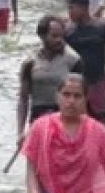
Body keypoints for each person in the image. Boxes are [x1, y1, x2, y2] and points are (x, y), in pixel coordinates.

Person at [16, 15, 83, 145]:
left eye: (61, 36)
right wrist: (20, 132)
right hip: (37, 120)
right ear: (42, 36)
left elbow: (82, 98)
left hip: (66, 121)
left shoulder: (73, 60)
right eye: (54, 36)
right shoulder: (30, 62)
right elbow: (23, 99)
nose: (59, 40)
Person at [64, 0, 105, 127]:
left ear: (84, 8)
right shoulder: (67, 31)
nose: (69, 12)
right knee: (75, 124)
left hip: (98, 83)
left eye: (72, 8)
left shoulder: (103, 27)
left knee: (101, 124)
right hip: (75, 85)